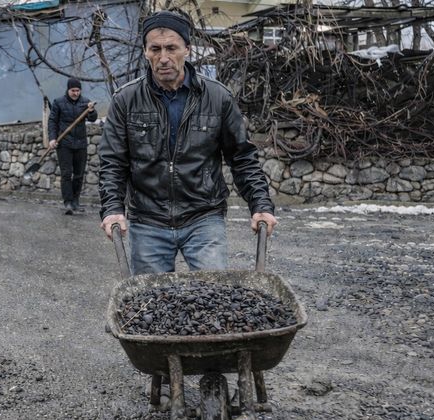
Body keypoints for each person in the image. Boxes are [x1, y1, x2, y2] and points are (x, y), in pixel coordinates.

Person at [98, 11, 277, 273]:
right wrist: (113, 208)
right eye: (155, 49)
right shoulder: (126, 100)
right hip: (148, 219)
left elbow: (242, 157)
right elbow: (113, 161)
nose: (163, 58)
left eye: (171, 48)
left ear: (187, 49)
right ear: (145, 52)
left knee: (213, 296)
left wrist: (260, 205)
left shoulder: (217, 97)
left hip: (203, 216)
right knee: (152, 305)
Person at [48, 77, 97, 215]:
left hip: (81, 144)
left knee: (79, 175)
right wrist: (52, 138)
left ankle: (75, 201)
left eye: (78, 90)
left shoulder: (85, 102)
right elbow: (52, 121)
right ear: (68, 90)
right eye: (73, 90)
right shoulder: (58, 102)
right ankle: (68, 203)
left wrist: (91, 110)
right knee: (66, 174)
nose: (75, 93)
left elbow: (93, 118)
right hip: (64, 144)